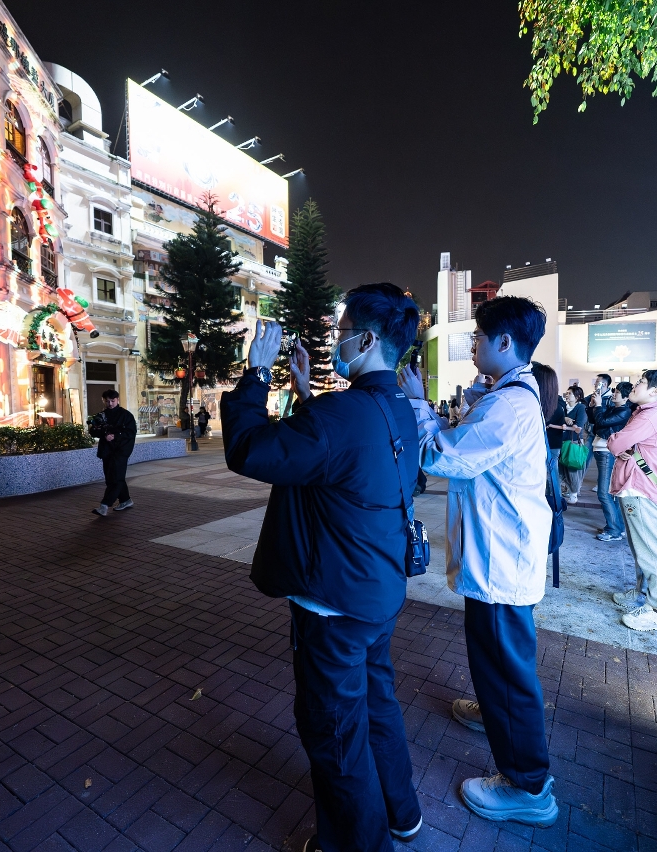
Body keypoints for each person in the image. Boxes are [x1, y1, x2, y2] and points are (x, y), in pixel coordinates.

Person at [220, 283, 424, 852]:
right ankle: (402, 813)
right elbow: (342, 452)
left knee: (334, 731)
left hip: (333, 602)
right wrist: (306, 393)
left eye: (342, 331)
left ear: (366, 339)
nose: (337, 340)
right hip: (378, 589)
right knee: (377, 704)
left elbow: (250, 449)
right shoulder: (399, 408)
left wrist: (256, 374)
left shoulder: (341, 414)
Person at [399, 295, 558, 829]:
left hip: (501, 561)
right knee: (497, 661)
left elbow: (442, 455)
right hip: (500, 555)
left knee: (507, 671)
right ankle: (494, 712)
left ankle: (528, 786)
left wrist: (417, 404)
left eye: (479, 337)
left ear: (505, 342)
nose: (473, 345)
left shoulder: (507, 406)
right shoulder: (507, 396)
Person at [607, 369, 657, 631]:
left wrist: (617, 442)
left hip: (641, 490)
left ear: (654, 392)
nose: (635, 385)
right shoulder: (651, 414)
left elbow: (615, 444)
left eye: (641, 382)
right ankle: (642, 593)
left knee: (651, 551)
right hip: (641, 489)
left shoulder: (649, 417)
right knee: (643, 548)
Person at [587, 380, 634, 541]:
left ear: (626, 397)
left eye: (617, 393)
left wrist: (599, 407)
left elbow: (601, 422)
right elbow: (595, 422)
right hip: (602, 450)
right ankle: (617, 527)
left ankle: (613, 530)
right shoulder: (614, 408)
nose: (614, 394)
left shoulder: (624, 411)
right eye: (614, 391)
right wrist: (593, 406)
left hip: (607, 452)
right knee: (608, 493)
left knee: (604, 493)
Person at [90, 389, 136, 517]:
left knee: (115, 478)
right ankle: (125, 500)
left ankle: (104, 505)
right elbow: (93, 431)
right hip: (107, 451)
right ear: (103, 401)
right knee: (112, 477)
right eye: (107, 401)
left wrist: (115, 435)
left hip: (121, 451)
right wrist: (103, 434)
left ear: (118, 400)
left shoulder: (126, 415)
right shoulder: (101, 415)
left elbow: (131, 432)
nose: (110, 404)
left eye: (112, 401)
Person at [559, 386, 587, 503]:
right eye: (567, 393)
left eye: (570, 393)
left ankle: (574, 493)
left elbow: (579, 425)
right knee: (562, 467)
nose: (567, 395)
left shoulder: (580, 408)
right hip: (563, 441)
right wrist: (565, 418)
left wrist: (568, 424)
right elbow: (559, 420)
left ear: (577, 397)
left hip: (574, 442)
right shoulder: (563, 408)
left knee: (572, 468)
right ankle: (567, 490)